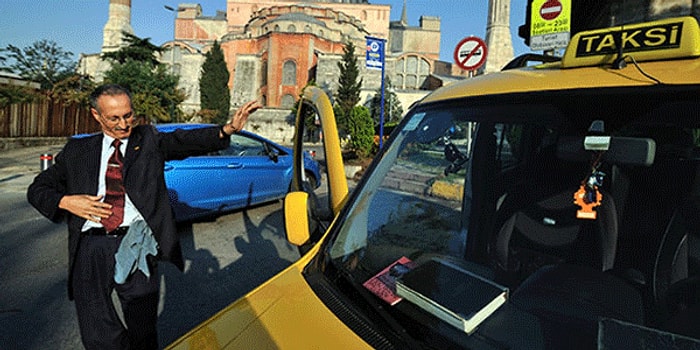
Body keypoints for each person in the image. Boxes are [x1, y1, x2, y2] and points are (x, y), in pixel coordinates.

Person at [27, 84, 261, 350]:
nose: (124, 124)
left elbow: (184, 140)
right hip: (91, 246)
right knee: (96, 330)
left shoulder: (148, 139)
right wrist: (66, 201)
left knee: (142, 328)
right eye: (114, 118)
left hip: (136, 244)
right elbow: (37, 189)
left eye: (128, 115)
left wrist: (225, 130)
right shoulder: (78, 150)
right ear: (96, 115)